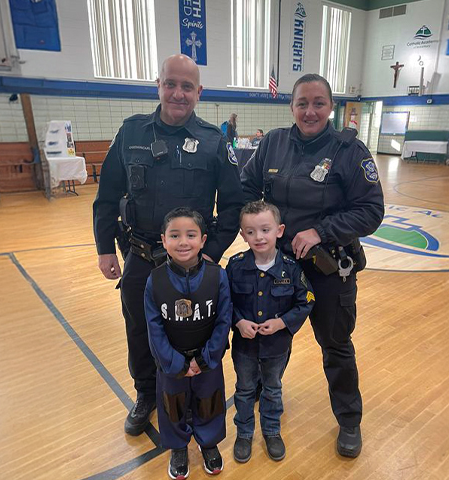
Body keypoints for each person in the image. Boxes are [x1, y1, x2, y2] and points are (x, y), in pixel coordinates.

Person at [93, 54, 243, 437]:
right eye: (170, 84)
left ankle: (193, 396)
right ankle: (146, 395)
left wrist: (211, 253)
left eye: (187, 87)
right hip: (141, 258)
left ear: (199, 92)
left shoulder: (213, 141)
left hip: (195, 264)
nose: (178, 93)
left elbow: (231, 205)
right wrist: (105, 248)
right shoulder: (132, 132)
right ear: (157, 85)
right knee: (141, 331)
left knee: (195, 331)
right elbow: (107, 194)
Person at [240, 73, 384, 458]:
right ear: (291, 106)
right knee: (272, 338)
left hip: (328, 269)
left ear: (331, 107)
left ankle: (349, 420)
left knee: (336, 346)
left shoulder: (349, 151)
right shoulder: (272, 143)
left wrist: (321, 231)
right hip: (279, 269)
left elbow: (372, 211)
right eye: (302, 102)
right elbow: (247, 187)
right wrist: (255, 227)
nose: (310, 111)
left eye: (318, 103)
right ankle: (266, 392)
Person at [144, 207, 232, 478]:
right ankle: (178, 446)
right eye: (175, 235)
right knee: (173, 404)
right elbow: (154, 326)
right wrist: (174, 362)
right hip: (172, 362)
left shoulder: (218, 276)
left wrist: (206, 357)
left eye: (190, 235)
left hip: (208, 359)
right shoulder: (155, 280)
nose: (183, 242)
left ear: (203, 240)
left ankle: (209, 442)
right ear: (164, 240)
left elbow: (224, 319)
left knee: (210, 401)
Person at [226, 201, 314, 463]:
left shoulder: (291, 267)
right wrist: (238, 322)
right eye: (250, 232)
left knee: (273, 389)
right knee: (243, 390)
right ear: (242, 235)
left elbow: (306, 300)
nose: (258, 237)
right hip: (244, 347)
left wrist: (282, 323)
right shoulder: (236, 265)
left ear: (279, 230)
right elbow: (224, 302)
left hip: (277, 347)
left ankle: (272, 431)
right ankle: (244, 433)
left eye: (265, 230)